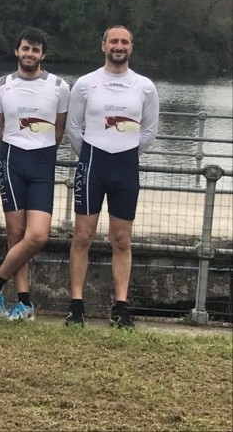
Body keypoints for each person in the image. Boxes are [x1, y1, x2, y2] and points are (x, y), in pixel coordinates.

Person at [65, 25, 159, 329]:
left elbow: (149, 131)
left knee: (122, 239)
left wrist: (127, 153)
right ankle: (76, 306)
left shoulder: (144, 86)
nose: (118, 46)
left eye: (124, 42)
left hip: (126, 167)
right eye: (113, 41)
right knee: (82, 236)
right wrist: (92, 155)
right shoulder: (84, 84)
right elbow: (73, 128)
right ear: (103, 45)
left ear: (131, 47)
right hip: (92, 164)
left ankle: (120, 306)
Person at [0, 28, 69, 320]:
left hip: (43, 163)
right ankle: (25, 302)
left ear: (43, 55)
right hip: (12, 160)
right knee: (16, 235)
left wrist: (38, 148)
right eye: (25, 48)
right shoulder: (2, 86)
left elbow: (60, 128)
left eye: (36, 50)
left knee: (37, 235)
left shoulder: (59, 86)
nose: (30, 54)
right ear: (17, 51)